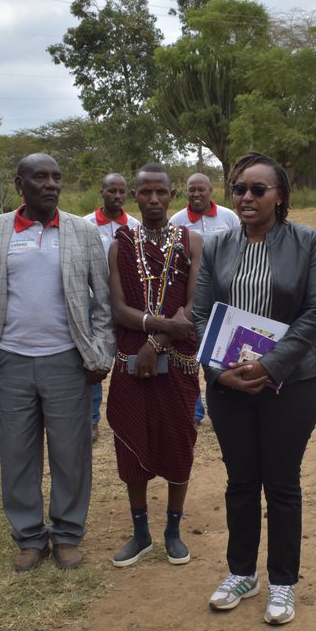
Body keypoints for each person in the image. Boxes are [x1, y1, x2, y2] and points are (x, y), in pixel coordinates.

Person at [193, 152, 316, 625]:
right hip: (228, 385)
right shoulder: (217, 246)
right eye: (238, 189)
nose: (246, 198)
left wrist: (270, 366)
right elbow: (200, 314)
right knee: (241, 481)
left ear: (280, 196)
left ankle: (284, 583)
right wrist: (218, 372)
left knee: (282, 482)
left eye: (258, 190)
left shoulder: (307, 242)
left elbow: (314, 312)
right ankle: (241, 573)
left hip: (290, 383)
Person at [0, 153, 113, 572]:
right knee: (18, 454)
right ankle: (29, 536)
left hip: (68, 361)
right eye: (40, 177)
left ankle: (67, 534)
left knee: (71, 452)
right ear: (20, 184)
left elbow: (101, 303)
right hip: (10, 361)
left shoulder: (82, 232)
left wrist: (99, 354)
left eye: (56, 177)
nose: (50, 184)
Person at [106, 164, 202, 567]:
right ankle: (141, 532)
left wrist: (159, 342)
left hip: (178, 361)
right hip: (132, 360)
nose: (154, 200)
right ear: (135, 197)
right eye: (145, 192)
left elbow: (195, 307)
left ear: (172, 193)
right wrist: (157, 331)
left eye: (161, 192)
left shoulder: (192, 242)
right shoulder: (120, 243)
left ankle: (173, 531)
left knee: (179, 442)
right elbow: (118, 308)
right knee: (132, 442)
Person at [171, 172, 240, 427]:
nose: (197, 194)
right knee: (192, 351)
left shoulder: (228, 217)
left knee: (223, 348)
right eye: (192, 190)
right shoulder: (177, 220)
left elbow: (239, 248)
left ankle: (224, 402)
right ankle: (194, 411)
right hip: (192, 296)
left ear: (211, 190)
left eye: (201, 189)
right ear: (185, 192)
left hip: (225, 294)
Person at [84, 173, 140, 440]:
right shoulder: (85, 225)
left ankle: (131, 414)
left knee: (128, 359)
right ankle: (92, 420)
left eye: (122, 192)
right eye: (112, 191)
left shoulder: (135, 225)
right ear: (101, 191)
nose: (117, 196)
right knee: (93, 361)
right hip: (93, 304)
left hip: (126, 306)